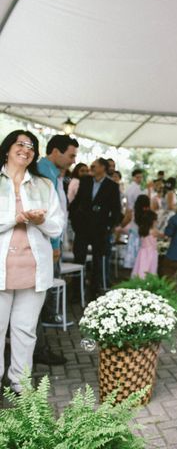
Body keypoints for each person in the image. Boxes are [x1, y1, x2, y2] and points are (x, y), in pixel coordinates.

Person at [0, 130, 64, 393]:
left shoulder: (44, 185)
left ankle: (20, 385)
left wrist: (41, 221)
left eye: (31, 146)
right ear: (7, 149)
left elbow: (57, 227)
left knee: (25, 332)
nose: (26, 149)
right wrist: (15, 218)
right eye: (20, 144)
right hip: (1, 270)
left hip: (33, 269)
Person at [34, 134, 78, 364]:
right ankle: (38, 349)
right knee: (38, 297)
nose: (73, 160)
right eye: (71, 155)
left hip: (52, 242)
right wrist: (53, 245)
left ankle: (39, 346)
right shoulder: (43, 171)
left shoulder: (54, 172)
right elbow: (46, 212)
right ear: (56, 152)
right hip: (45, 244)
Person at [69, 158, 122, 300]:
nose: (91, 167)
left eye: (94, 166)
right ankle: (76, 293)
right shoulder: (85, 181)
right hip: (82, 228)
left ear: (103, 168)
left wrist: (109, 227)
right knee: (78, 259)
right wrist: (74, 220)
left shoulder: (112, 186)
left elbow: (116, 210)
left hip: (100, 230)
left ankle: (94, 292)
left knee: (98, 262)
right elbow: (76, 201)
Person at [131, 208, 161, 277]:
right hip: (151, 253)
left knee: (141, 267)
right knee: (151, 269)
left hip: (142, 252)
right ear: (151, 221)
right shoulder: (153, 231)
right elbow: (163, 235)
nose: (157, 222)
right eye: (155, 220)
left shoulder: (142, 230)